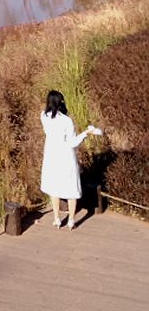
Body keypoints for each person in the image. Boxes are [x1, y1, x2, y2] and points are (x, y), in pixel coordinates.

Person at [40, 90, 102, 229]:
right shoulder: (66, 120)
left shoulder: (43, 116)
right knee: (71, 189)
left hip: (51, 156)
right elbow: (72, 142)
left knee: (54, 188)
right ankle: (71, 220)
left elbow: (47, 131)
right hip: (66, 157)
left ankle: (56, 218)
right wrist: (86, 133)